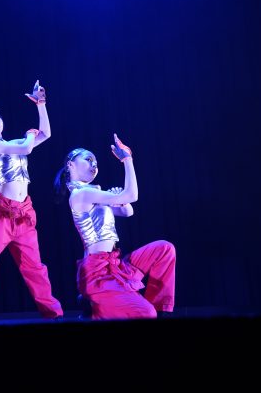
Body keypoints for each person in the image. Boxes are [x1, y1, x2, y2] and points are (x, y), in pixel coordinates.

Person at [54, 134, 175, 319]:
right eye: (88, 159)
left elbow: (128, 211)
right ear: (71, 165)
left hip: (115, 264)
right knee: (146, 313)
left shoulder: (94, 193)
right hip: (98, 274)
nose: (94, 164)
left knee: (164, 249)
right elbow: (132, 195)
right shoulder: (81, 194)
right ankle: (94, 309)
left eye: (95, 162)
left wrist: (120, 200)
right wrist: (127, 160)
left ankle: (160, 311)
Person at [0, 80, 64, 319]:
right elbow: (26, 148)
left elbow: (46, 134)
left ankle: (53, 313)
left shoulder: (13, 143)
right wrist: (30, 136)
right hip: (0, 213)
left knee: (34, 267)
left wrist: (41, 104)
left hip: (23, 212)